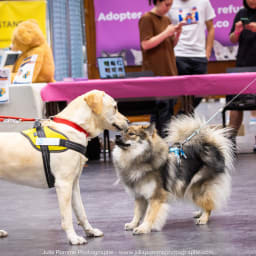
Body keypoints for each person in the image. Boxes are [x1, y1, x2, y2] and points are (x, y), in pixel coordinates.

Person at [139, 0, 182, 137]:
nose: (168, 8)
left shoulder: (167, 19)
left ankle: (161, 145)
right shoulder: (146, 18)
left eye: (171, 4)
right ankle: (160, 145)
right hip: (155, 73)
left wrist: (177, 34)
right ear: (157, 2)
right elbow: (145, 44)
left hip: (170, 71)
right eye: (166, 4)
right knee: (159, 111)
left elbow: (170, 45)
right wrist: (166, 32)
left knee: (168, 112)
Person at [168, 0, 215, 111]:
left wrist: (207, 52)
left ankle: (181, 118)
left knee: (200, 91)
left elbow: (211, 28)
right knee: (180, 94)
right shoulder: (170, 3)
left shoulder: (203, 2)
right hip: (178, 54)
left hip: (199, 55)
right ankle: (182, 120)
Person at [227, 0, 256, 152]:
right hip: (242, 64)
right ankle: (230, 140)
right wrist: (237, 31)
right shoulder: (241, 14)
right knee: (235, 102)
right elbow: (232, 39)